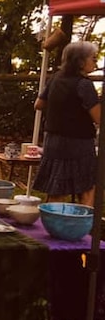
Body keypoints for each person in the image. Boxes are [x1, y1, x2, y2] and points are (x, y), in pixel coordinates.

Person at [33, 40, 101, 207]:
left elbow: (39, 104)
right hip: (78, 143)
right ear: (80, 61)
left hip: (54, 141)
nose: (96, 62)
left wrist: (61, 106)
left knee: (57, 188)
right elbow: (99, 118)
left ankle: (52, 227)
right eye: (93, 58)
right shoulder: (84, 85)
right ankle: (83, 229)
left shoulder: (56, 78)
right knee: (87, 188)